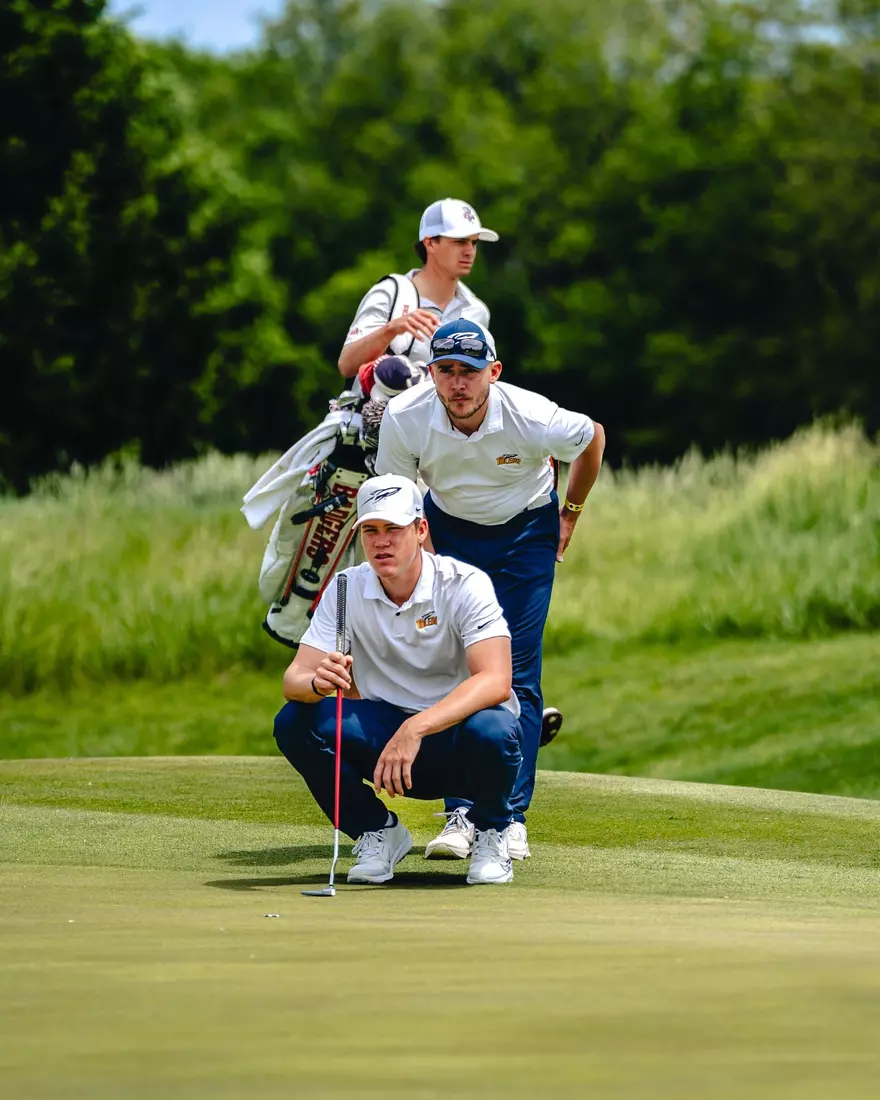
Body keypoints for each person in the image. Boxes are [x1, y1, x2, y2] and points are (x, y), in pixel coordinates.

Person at [375, 320, 606, 863]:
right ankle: (461, 814)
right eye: (446, 371)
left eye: (470, 372)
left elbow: (592, 436)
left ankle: (508, 819)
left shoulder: (531, 415)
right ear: (431, 373)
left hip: (525, 533)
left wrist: (571, 513)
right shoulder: (405, 417)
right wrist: (422, 559)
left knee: (514, 671)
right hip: (449, 530)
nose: (458, 383)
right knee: (456, 664)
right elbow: (399, 497)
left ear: (493, 372)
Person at [273, 473, 524, 887]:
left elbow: (496, 680)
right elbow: (294, 679)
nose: (381, 542)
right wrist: (318, 682)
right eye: (370, 530)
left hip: (458, 745)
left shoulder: (464, 583)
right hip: (383, 741)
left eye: (393, 529)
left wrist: (416, 728)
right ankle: (378, 830)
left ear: (421, 530)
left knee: (495, 728)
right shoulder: (345, 587)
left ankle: (492, 831)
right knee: (293, 722)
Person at [337, 198, 498, 382]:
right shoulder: (390, 293)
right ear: (430, 243)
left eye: (474, 243)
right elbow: (347, 365)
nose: (469, 251)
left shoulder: (477, 311)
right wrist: (391, 329)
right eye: (460, 242)